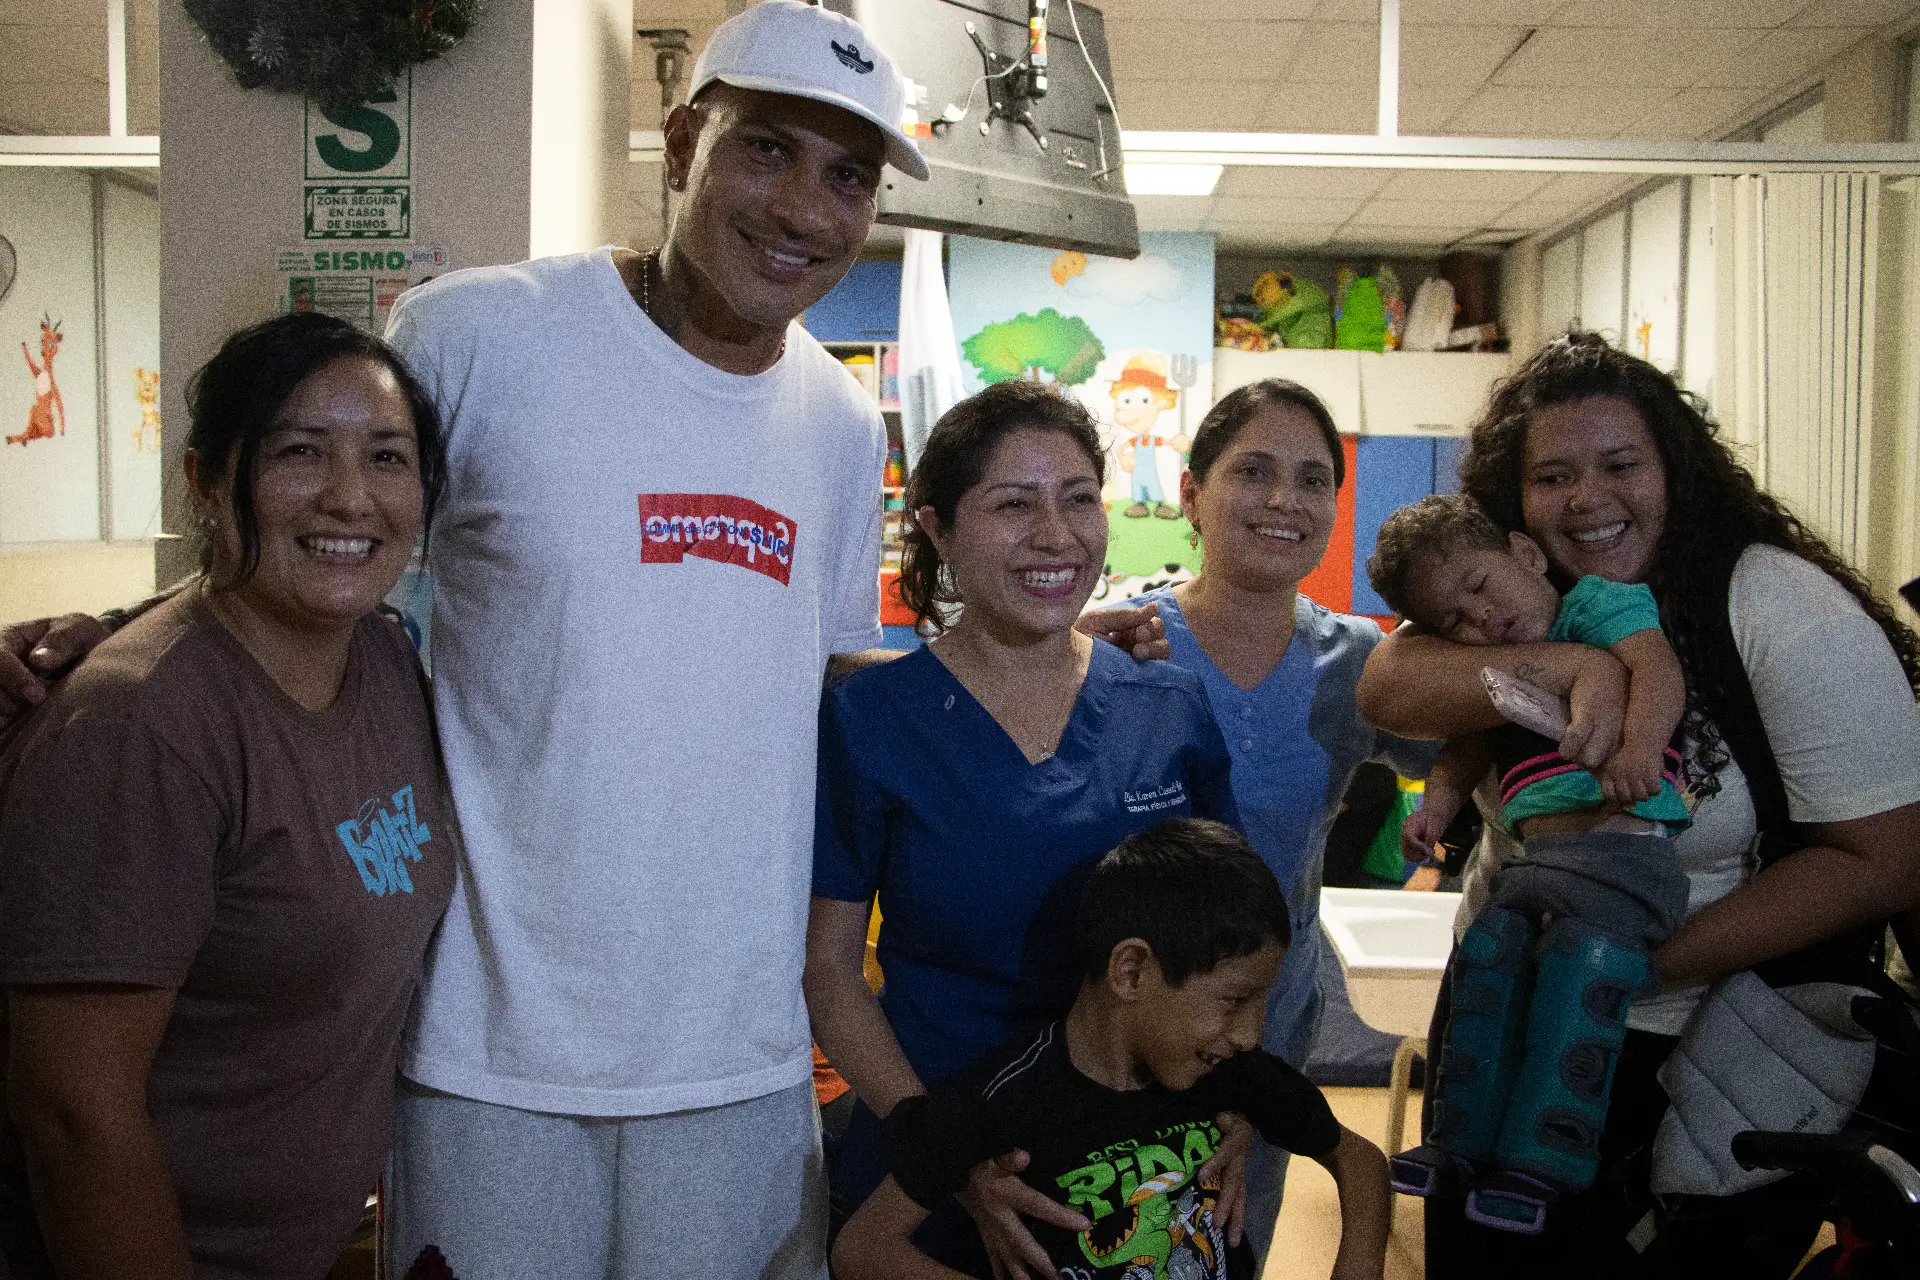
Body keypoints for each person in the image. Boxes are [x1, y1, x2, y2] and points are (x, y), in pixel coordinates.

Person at [0, 7, 1162, 1274]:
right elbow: (338, 529)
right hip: (490, 1046)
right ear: (680, 145)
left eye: (848, 177)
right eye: (764, 150)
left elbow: (814, 677)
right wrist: (128, 635)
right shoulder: (476, 333)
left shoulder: (835, 416)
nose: (804, 209)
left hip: (738, 1051)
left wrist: (1032, 642)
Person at [1355, 332, 1920, 1278]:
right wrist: (1571, 664)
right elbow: (1390, 686)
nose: (1589, 499)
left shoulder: (1772, 605)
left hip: (1703, 1053)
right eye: (1553, 476)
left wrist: (1636, 965)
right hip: (1507, 1002)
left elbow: (1887, 856)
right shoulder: (1499, 595)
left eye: (1622, 465)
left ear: (1676, 470)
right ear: (1516, 513)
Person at [0, 313, 455, 1279]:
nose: (350, 497)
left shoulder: (382, 658)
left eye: (388, 458)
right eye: (300, 453)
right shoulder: (142, 726)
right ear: (208, 483)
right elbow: (74, 1115)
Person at [806, 380, 1241, 1276]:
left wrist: (1241, 1102)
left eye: (1079, 498)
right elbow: (830, 973)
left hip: (1136, 1154)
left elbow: (1234, 951)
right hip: (931, 1141)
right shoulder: (876, 719)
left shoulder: (1166, 708)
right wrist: (944, 1154)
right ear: (937, 526)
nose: (1056, 534)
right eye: (1014, 504)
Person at [1118, 378, 1438, 1260]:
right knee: (1108, 1237)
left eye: (1311, 481)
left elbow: (1468, 754)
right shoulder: (1122, 641)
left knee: (1229, 1234)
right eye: (1252, 471)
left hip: (1268, 1019)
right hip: (1117, 1013)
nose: (1282, 501)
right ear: (1192, 493)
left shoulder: (1360, 662)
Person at [831, 818, 1391, 1280]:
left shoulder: (1232, 1076)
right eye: (1235, 1000)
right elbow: (862, 1252)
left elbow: (1362, 1162)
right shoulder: (998, 1099)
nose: (1251, 1033)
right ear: (1131, 970)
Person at [1363, 493, 1691, 1226]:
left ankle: (1545, 1159)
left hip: (1620, 851)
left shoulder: (1598, 608)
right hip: (1536, 862)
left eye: (1481, 587)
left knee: (1581, 978)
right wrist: (1435, 812)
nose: (1481, 620)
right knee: (1488, 960)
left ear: (1527, 554)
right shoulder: (1494, 666)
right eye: (1454, 619)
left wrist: (1640, 748)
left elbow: (1658, 669)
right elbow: (1464, 749)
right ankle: (1459, 1143)